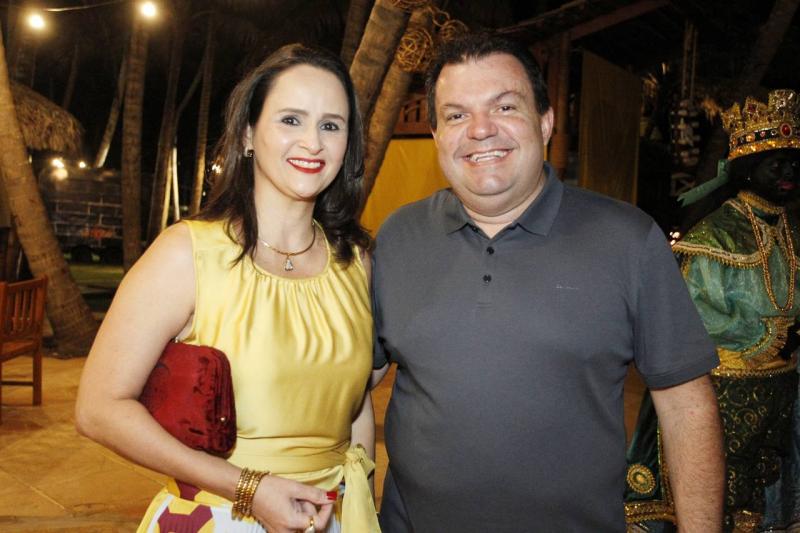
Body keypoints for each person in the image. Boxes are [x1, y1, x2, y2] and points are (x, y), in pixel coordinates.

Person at [370, 32, 725, 532]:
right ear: (436, 136)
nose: (480, 130)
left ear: (545, 121)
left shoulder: (627, 240)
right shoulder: (398, 236)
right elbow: (349, 383)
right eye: (456, 115)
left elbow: (687, 406)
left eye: (505, 107)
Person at [76, 44, 380, 533]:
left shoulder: (355, 262)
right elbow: (98, 409)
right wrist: (248, 488)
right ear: (247, 135)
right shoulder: (187, 254)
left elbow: (356, 406)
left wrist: (362, 498)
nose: (313, 143)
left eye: (331, 125)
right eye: (291, 120)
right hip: (220, 515)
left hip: (334, 518)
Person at [626, 89, 800, 533]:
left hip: (780, 391)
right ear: (748, 167)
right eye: (775, 164)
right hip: (721, 388)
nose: (787, 174)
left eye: (793, 164)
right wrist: (772, 336)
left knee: (762, 495)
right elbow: (693, 314)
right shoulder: (717, 233)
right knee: (713, 492)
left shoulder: (791, 229)